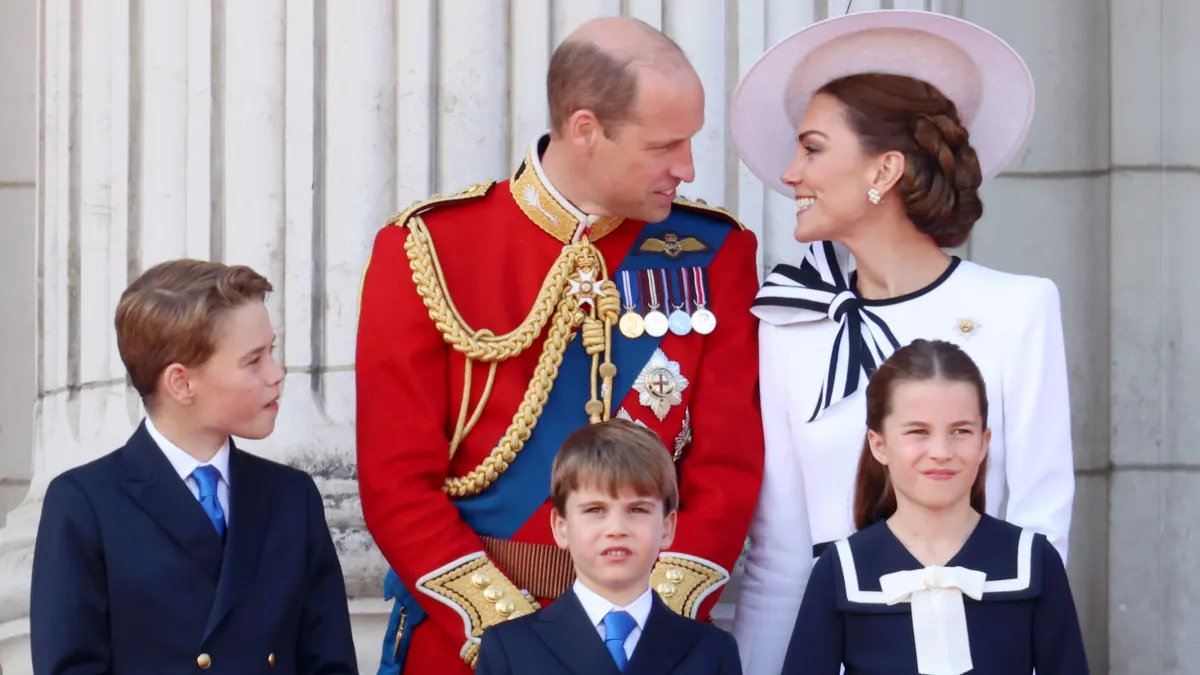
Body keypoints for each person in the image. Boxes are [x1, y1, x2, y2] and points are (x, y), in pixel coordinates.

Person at [356, 16, 764, 675]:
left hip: (647, 643)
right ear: (585, 130)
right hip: (472, 643)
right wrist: (519, 637)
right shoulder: (428, 249)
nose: (687, 168)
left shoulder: (715, 253)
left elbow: (727, 468)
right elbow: (396, 482)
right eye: (665, 145)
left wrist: (640, 625)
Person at [727, 9, 1075, 674]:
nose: (791, 171)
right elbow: (778, 554)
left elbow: (1041, 530)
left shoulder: (1018, 308)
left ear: (882, 169)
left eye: (813, 148)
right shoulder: (788, 323)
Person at [30, 259, 358, 674]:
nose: (277, 374)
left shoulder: (292, 496)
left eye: (270, 352)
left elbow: (330, 664)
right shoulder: (84, 504)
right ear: (182, 383)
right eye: (253, 360)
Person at [781, 339, 1088, 674]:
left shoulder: (1033, 561)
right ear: (879, 444)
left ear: (984, 442)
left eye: (960, 431)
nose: (941, 450)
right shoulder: (840, 569)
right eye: (918, 431)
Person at [475, 419, 743, 675]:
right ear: (561, 527)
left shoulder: (712, 651)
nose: (617, 529)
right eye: (595, 510)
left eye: (637, 509)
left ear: (667, 527)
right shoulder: (511, 649)